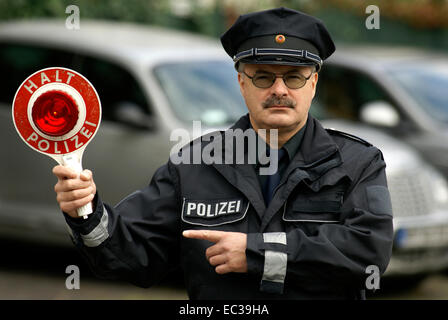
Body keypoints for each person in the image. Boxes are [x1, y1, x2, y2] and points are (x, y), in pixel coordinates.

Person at [53, 7, 393, 299]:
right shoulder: (195, 162)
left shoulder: (358, 162)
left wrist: (256, 254)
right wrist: (85, 210)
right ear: (241, 82)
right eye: (262, 77)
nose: (279, 90)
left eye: (293, 77)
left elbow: (368, 255)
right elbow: (131, 256)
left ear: (314, 82)